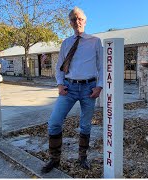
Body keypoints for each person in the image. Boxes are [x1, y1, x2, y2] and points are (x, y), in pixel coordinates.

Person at [41, 6, 103, 173]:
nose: (77, 22)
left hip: (89, 88)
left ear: (85, 21)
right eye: (74, 19)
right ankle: (54, 159)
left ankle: (82, 158)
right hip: (69, 87)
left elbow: (101, 66)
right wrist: (60, 84)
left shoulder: (95, 41)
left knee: (85, 125)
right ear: (70, 23)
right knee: (54, 123)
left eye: (80, 19)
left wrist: (100, 86)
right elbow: (59, 67)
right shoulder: (66, 43)